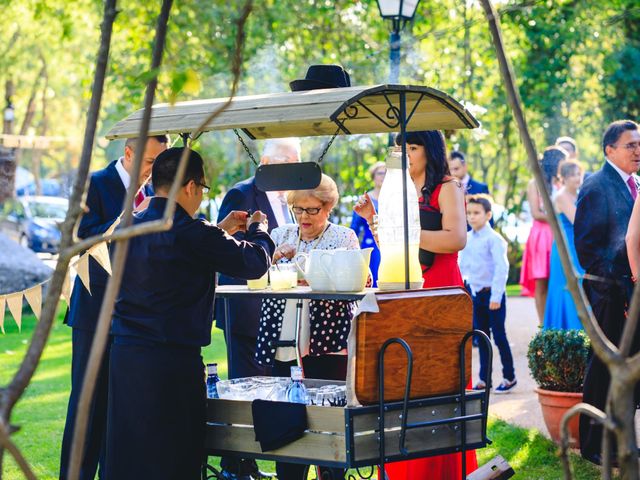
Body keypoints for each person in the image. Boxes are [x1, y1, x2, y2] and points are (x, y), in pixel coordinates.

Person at [105, 147, 275, 480]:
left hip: (125, 357)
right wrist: (259, 230)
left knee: (128, 454)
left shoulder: (127, 228)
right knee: (175, 453)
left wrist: (219, 229)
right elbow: (255, 263)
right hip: (171, 362)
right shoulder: (194, 234)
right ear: (190, 187)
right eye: (202, 188)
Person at [355, 130, 475, 479]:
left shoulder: (447, 187)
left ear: (430, 150)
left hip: (440, 296)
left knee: (438, 383)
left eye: (413, 147)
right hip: (402, 293)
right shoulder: (394, 189)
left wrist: (406, 231)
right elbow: (392, 246)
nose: (405, 154)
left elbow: (456, 238)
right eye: (399, 148)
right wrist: (372, 218)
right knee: (400, 381)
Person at [60, 135, 168, 480]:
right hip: (93, 311)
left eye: (159, 163)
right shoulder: (95, 184)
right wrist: (126, 219)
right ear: (129, 153)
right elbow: (81, 240)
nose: (153, 171)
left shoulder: (154, 193)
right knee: (87, 406)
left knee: (120, 408)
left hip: (134, 316)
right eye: (150, 162)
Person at [256, 173, 358, 480]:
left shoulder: (343, 237)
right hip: (283, 341)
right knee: (286, 422)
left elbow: (353, 281)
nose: (303, 216)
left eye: (312, 210)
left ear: (327, 207)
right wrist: (273, 257)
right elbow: (261, 274)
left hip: (326, 343)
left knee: (326, 423)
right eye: (298, 209)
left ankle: (330, 473)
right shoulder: (281, 232)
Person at [214, 137, 300, 480]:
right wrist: (270, 254)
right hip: (246, 310)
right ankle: (234, 466)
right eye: (288, 164)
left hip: (279, 311)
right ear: (265, 161)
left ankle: (254, 461)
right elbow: (225, 250)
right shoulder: (241, 194)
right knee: (243, 388)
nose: (293, 173)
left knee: (274, 391)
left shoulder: (290, 201)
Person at [575, 119, 640, 465]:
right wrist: (620, 288)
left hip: (631, 291)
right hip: (608, 294)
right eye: (631, 145)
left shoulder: (635, 184)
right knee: (603, 369)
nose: (638, 151)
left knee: (627, 371)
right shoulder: (596, 186)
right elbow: (587, 249)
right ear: (609, 150)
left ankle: (622, 440)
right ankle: (594, 445)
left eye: (639, 144)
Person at [459, 194, 515, 393]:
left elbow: (502, 269)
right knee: (482, 337)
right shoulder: (467, 238)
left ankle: (509, 377)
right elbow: (462, 265)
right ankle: (484, 379)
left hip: (493, 297)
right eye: (469, 213)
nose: (472, 217)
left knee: (499, 336)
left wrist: (496, 296)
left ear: (488, 214)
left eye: (476, 213)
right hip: (476, 296)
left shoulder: (494, 239)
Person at [519, 146, 568, 324]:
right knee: (541, 281)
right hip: (541, 236)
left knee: (558, 279)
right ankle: (543, 325)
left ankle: (556, 323)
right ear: (555, 162)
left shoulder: (562, 183)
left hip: (559, 235)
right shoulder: (535, 183)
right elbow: (536, 213)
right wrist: (560, 217)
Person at [543, 160, 585, 330]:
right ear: (564, 178)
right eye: (573, 175)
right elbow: (578, 220)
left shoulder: (578, 194)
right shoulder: (561, 196)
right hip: (566, 247)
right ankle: (567, 331)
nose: (577, 178)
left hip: (579, 245)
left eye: (578, 174)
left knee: (580, 284)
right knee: (566, 286)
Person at [350, 161, 385, 286]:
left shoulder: (393, 197)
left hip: (388, 245)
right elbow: (354, 227)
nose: (383, 176)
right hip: (370, 246)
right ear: (373, 176)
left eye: (386, 173)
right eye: (380, 173)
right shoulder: (365, 199)